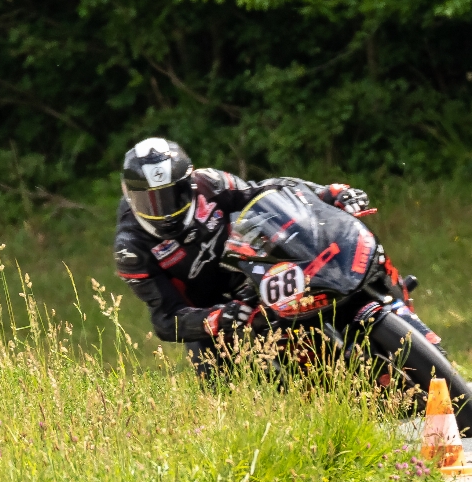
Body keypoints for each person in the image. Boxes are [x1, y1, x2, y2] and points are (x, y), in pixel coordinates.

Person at [113, 137, 373, 375]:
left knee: (325, 270)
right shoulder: (131, 248)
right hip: (210, 313)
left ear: (189, 185)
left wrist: (327, 193)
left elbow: (266, 191)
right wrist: (217, 318)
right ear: (130, 196)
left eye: (172, 196)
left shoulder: (210, 183)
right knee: (218, 385)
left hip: (255, 275)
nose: (164, 211)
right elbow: (166, 319)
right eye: (149, 201)